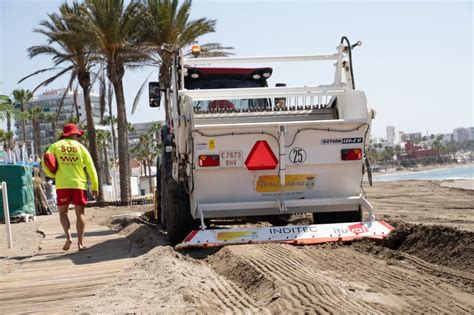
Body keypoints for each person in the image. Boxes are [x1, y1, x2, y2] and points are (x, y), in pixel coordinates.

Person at [42, 123, 98, 251]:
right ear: (74, 134)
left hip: (62, 184)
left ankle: (68, 238)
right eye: (77, 135)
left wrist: (52, 174)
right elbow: (91, 168)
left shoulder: (55, 146)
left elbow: (46, 160)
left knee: (63, 213)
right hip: (79, 185)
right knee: (80, 214)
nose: (78, 137)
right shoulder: (81, 148)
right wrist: (95, 186)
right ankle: (80, 244)